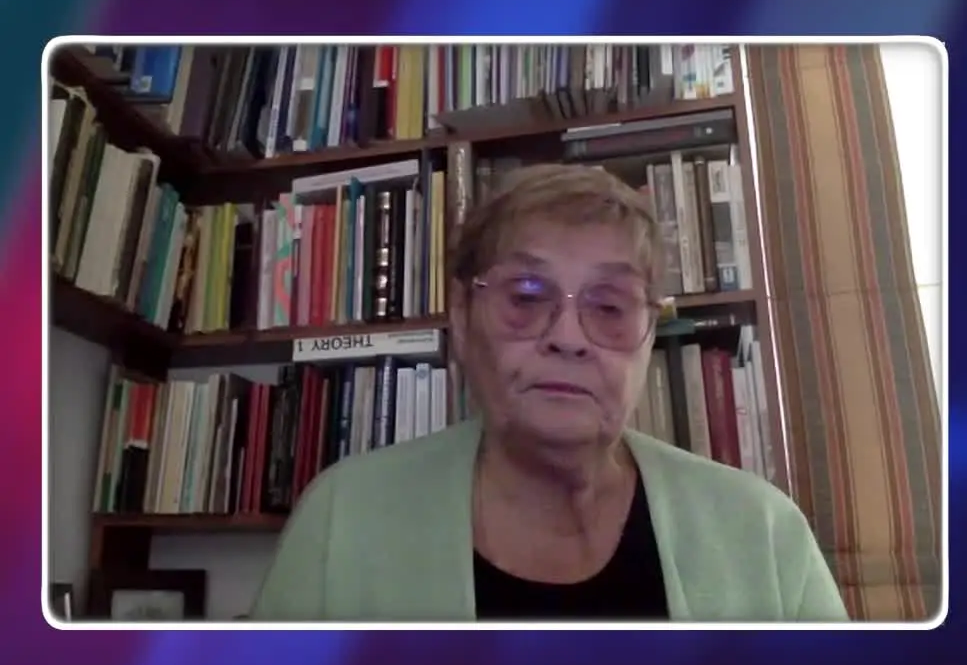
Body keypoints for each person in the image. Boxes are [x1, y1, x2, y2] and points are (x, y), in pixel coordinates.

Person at [252, 163, 848, 622]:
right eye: (526, 296)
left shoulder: (763, 531)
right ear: (462, 315)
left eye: (609, 307)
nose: (568, 338)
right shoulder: (344, 521)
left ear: (649, 333)